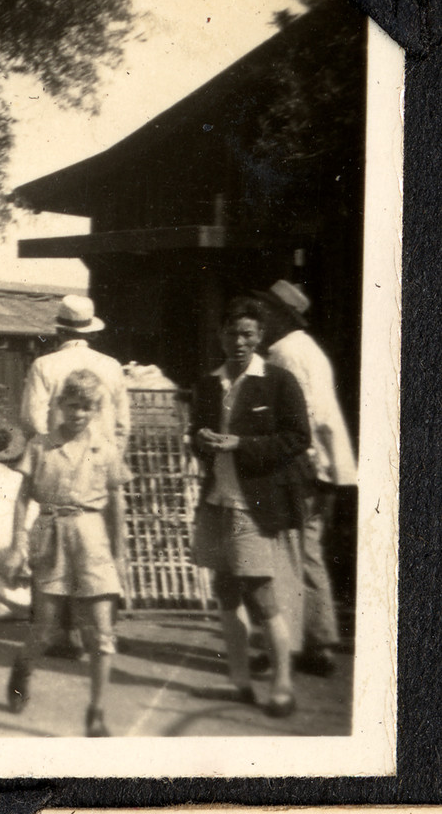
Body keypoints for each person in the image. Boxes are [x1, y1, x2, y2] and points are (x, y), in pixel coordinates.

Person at [189, 296, 310, 718]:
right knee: (224, 590)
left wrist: (242, 444)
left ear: (260, 337)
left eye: (247, 334)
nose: (238, 341)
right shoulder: (209, 383)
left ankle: (282, 684)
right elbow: (195, 435)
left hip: (253, 505)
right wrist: (201, 442)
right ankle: (239, 681)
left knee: (260, 595)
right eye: (231, 333)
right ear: (220, 335)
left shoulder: (277, 381)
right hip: (216, 502)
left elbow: (297, 439)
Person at [3, 370, 131, 737]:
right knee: (46, 629)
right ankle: (22, 669)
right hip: (50, 534)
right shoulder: (40, 446)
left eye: (86, 408)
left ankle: (97, 711)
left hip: (93, 538)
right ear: (59, 406)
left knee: (102, 633)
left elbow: (117, 503)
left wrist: (120, 554)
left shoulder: (105, 448)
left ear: (96, 410)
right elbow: (22, 497)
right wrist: (17, 544)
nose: (78, 414)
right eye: (72, 406)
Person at [257, 280, 357, 677]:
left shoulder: (285, 353)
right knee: (305, 551)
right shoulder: (306, 348)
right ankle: (315, 641)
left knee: (288, 553)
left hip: (300, 465)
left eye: (266, 310)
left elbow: (303, 414)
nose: (261, 317)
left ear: (280, 314)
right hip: (320, 464)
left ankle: (303, 643)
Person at [20, 295, 131, 452]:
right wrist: (113, 456)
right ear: (92, 333)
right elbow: (122, 424)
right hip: (100, 457)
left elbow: (32, 420)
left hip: (56, 457)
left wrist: (48, 455)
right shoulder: (112, 366)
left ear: (59, 331)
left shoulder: (44, 365)